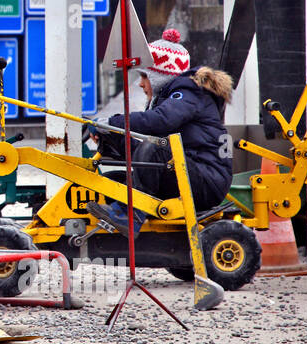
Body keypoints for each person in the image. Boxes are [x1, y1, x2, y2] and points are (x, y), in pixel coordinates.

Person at [87, 29, 235, 233]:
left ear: (159, 76)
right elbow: (144, 156)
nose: (140, 84)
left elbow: (160, 122)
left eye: (144, 77)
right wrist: (113, 138)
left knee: (155, 147)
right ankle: (119, 215)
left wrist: (112, 122)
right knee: (114, 183)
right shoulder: (167, 100)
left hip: (206, 181)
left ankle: (132, 215)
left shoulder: (188, 93)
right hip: (187, 173)